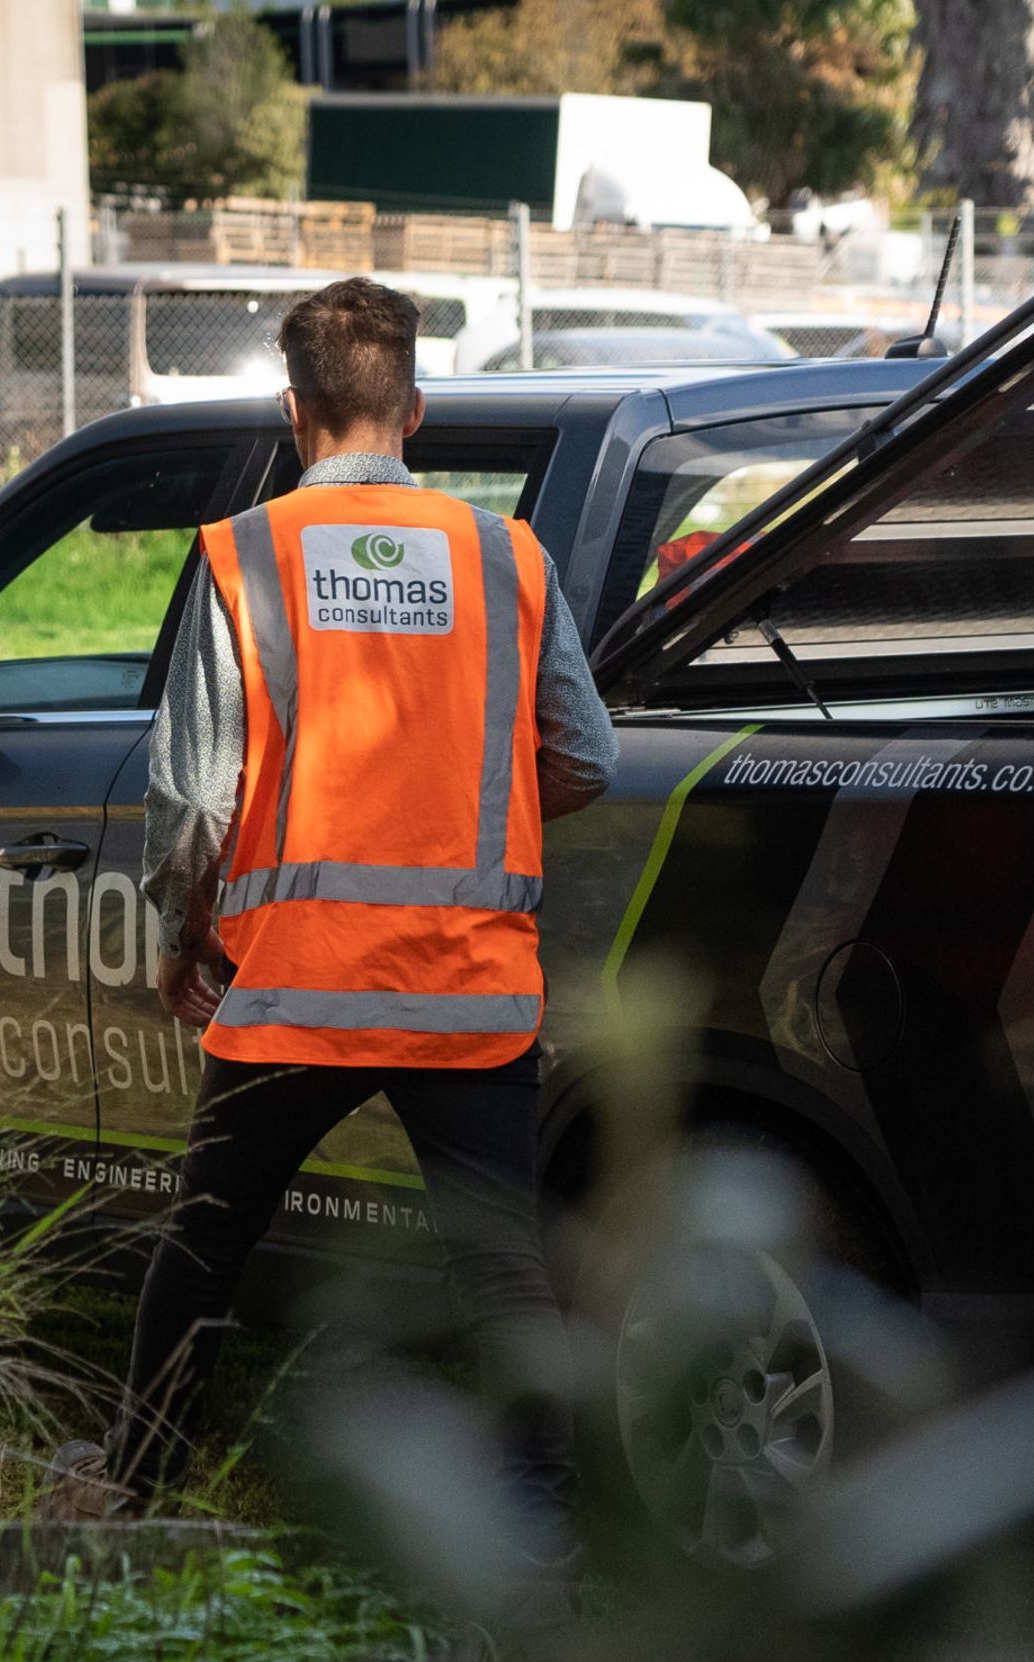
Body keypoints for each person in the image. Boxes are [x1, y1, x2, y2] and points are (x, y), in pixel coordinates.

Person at [42, 277, 617, 1550]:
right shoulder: (505, 559)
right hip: (470, 990)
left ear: (294, 410)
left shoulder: (249, 555)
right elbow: (587, 756)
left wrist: (189, 938)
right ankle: (541, 1556)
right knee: (505, 1275)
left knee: (204, 1247)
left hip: (293, 982)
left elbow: (193, 795)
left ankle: (136, 1489)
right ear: (414, 407)